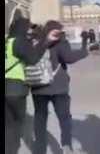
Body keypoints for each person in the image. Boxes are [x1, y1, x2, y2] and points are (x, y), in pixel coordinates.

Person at [31, 20, 88, 154]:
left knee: (40, 117)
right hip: (58, 87)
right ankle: (66, 146)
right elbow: (69, 58)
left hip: (38, 86)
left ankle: (40, 148)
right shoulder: (60, 42)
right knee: (64, 118)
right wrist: (84, 52)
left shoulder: (36, 42)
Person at [5, 18, 60, 154]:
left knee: (8, 123)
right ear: (22, 28)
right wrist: (46, 42)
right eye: (28, 28)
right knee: (16, 124)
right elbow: (33, 59)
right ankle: (12, 150)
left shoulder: (8, 41)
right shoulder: (19, 42)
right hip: (15, 88)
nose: (29, 31)